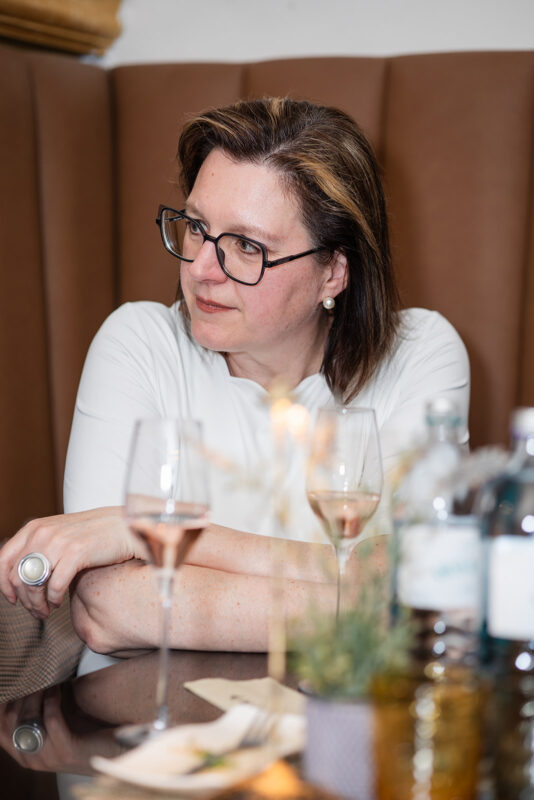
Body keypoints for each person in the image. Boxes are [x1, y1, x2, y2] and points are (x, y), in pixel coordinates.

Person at [0, 97, 469, 656]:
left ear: (334, 272)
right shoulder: (138, 343)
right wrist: (360, 601)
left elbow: (428, 580)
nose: (201, 269)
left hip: (338, 706)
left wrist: (153, 533)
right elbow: (108, 608)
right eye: (197, 227)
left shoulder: (418, 354)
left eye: (247, 246)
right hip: (145, 705)